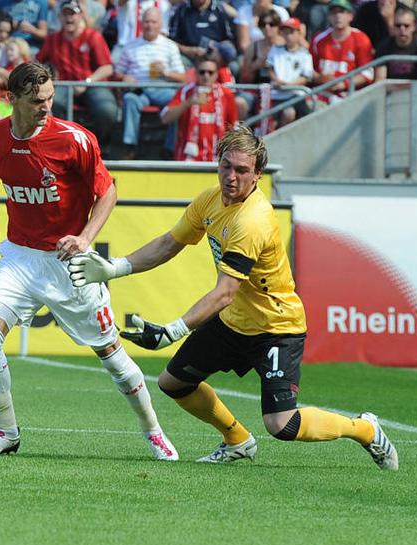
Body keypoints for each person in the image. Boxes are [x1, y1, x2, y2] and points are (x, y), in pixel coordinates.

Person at [67, 125, 399, 470]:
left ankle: (365, 429)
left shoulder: (252, 220)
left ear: (257, 175)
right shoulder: (209, 200)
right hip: (234, 322)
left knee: (282, 425)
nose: (231, 177)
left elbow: (225, 292)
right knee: (174, 383)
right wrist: (115, 267)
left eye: (242, 170)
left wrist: (172, 331)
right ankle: (237, 439)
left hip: (275, 326)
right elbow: (169, 243)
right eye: (226, 166)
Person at [0, 62, 178, 461]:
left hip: (69, 263)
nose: (46, 107)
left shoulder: (75, 140)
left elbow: (108, 192)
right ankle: (7, 432)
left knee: (113, 357)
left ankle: (154, 431)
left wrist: (85, 238)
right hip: (19, 257)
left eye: (50, 98)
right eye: (37, 100)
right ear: (11, 98)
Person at [37, 0, 117, 150]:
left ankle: (99, 147)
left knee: (107, 109)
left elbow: (107, 68)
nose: (69, 18)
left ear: (80, 16)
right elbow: (37, 62)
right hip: (64, 85)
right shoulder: (53, 39)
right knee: (53, 103)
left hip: (91, 84)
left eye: (72, 14)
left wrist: (87, 81)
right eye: (65, 14)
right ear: (59, 17)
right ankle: (63, 145)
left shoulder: (93, 36)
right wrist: (48, 76)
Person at [115, 7, 186, 159]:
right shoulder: (130, 46)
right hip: (138, 90)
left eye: (153, 22)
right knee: (130, 99)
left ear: (160, 24)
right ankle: (130, 147)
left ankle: (170, 149)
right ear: (141, 24)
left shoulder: (169, 46)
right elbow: (118, 73)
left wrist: (166, 73)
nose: (150, 26)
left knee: (177, 102)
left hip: (162, 88)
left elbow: (183, 78)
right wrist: (124, 78)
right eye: (147, 22)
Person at [161, 54, 238, 162]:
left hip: (217, 159)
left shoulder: (226, 94)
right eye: (202, 72)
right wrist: (188, 103)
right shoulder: (185, 92)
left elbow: (233, 127)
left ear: (216, 74)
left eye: (210, 72)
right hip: (187, 158)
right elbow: (165, 118)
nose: (206, 76)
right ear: (196, 73)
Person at [310, 0, 374, 97]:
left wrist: (344, 84)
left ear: (350, 16)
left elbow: (367, 73)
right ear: (329, 16)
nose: (338, 16)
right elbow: (310, 70)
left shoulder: (361, 39)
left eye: (342, 12)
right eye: (334, 13)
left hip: (350, 94)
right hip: (322, 93)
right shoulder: (318, 39)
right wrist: (320, 78)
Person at [266, 17, 314, 126]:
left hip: (296, 94)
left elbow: (306, 77)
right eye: (285, 32)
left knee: (291, 113)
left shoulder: (305, 54)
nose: (288, 36)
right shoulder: (275, 49)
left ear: (299, 33)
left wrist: (289, 85)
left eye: (291, 32)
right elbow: (269, 68)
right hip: (277, 94)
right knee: (271, 122)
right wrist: (276, 80)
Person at [373, 4, 417, 81]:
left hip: (415, 88)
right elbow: (380, 81)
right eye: (398, 25)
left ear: (414, 27)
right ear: (393, 27)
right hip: (390, 88)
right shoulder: (383, 47)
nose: (402, 29)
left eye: (406, 26)